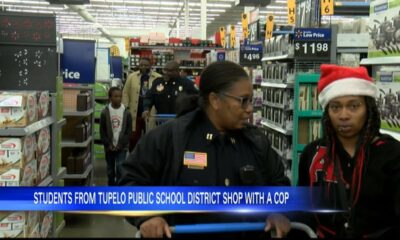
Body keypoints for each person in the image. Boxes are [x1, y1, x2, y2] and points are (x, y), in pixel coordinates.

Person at [120, 61, 291, 238]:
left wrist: (279, 212)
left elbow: (280, 185)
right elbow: (129, 182)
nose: (249, 109)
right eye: (243, 101)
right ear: (215, 100)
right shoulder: (170, 138)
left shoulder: (256, 142)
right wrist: (147, 217)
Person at [298, 64, 400, 237]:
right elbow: (303, 211)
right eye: (335, 107)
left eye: (354, 106)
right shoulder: (312, 154)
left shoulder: (392, 154)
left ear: (368, 109)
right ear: (327, 112)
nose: (343, 115)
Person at [122, 57, 161, 152]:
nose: (143, 67)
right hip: (135, 113)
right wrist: (126, 107)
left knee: (151, 137)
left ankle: (148, 158)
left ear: (151, 66)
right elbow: (125, 93)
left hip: (151, 113)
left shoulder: (158, 78)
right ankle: (133, 158)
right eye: (141, 65)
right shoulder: (132, 77)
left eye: (146, 65)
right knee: (133, 138)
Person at [100, 87, 132, 186]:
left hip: (122, 146)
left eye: (120, 96)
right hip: (109, 147)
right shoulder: (105, 112)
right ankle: (111, 188)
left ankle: (119, 189)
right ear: (110, 98)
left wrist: (121, 144)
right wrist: (108, 144)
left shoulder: (126, 113)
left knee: (120, 167)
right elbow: (102, 131)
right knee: (110, 170)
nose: (118, 98)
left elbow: (128, 131)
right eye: (116, 96)